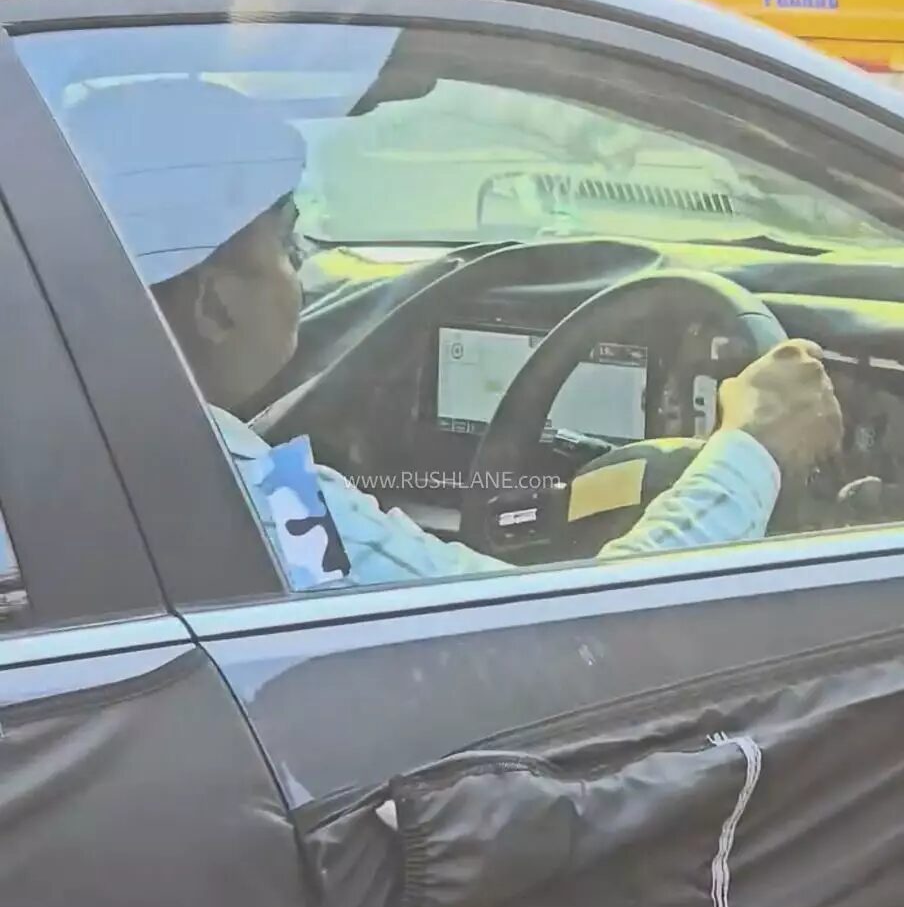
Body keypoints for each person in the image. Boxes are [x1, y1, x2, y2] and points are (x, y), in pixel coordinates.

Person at [64, 80, 843, 590]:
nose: (304, 263)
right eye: (288, 239)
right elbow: (557, 639)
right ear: (213, 306)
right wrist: (752, 449)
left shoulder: (78, 437)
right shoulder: (258, 500)